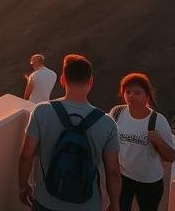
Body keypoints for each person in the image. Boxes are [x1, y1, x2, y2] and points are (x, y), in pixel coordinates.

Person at [18, 54, 120, 211]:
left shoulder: (42, 111)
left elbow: (26, 156)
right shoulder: (107, 123)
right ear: (90, 82)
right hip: (87, 205)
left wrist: (23, 186)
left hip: (46, 200)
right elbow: (113, 172)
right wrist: (114, 203)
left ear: (62, 79)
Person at [111, 72, 175, 211]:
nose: (131, 95)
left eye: (137, 92)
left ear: (147, 96)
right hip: (123, 177)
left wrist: (158, 141)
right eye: (128, 92)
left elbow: (171, 157)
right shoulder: (117, 113)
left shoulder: (158, 121)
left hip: (149, 181)